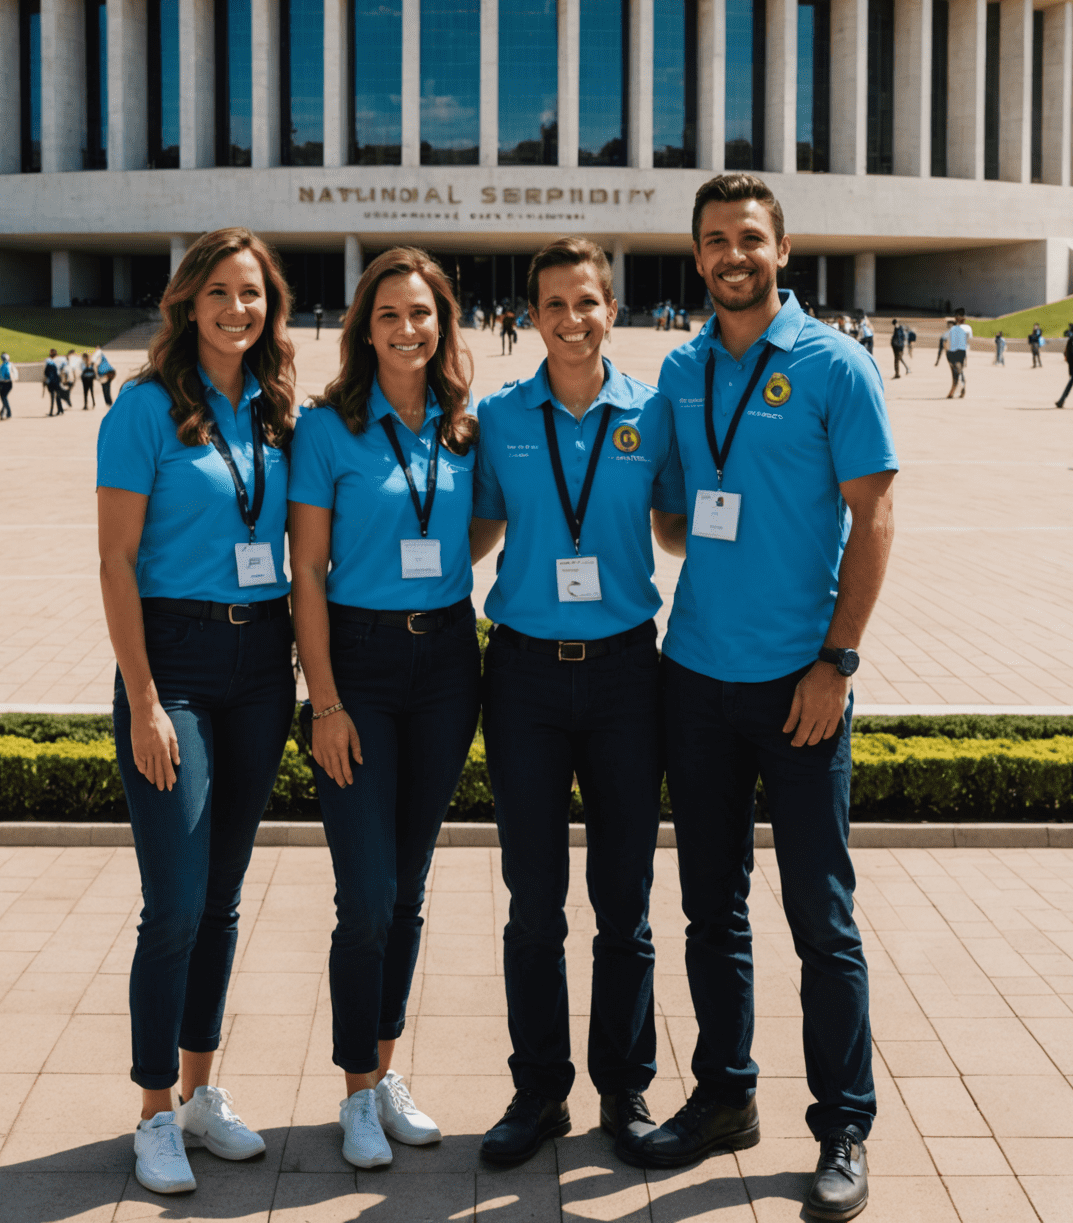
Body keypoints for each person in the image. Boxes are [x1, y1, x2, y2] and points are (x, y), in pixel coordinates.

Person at [636, 174, 896, 1223]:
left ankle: (843, 1122)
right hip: (695, 677)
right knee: (709, 911)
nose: (732, 255)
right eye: (713, 241)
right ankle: (724, 1095)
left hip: (802, 687)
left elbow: (873, 519)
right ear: (695, 258)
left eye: (750, 238)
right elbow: (667, 517)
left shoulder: (836, 366)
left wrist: (838, 661)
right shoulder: (682, 367)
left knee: (819, 917)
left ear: (781, 249)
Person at [469, 237, 685, 1170]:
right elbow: (469, 533)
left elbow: (680, 525)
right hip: (522, 676)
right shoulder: (498, 417)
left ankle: (624, 1089)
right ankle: (538, 1090)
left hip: (629, 676)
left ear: (611, 307)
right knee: (533, 903)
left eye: (587, 302)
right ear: (533, 314)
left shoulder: (654, 413)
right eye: (553, 303)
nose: (571, 320)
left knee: (625, 901)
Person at [96, 227, 298, 1196]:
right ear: (188, 302)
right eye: (219, 291)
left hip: (263, 663)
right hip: (171, 664)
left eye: (252, 293)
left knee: (222, 898)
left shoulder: (275, 408)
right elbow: (115, 562)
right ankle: (150, 1110)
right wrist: (141, 698)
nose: (237, 309)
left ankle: (201, 1090)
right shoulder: (142, 411)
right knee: (173, 903)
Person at [289, 247, 480, 1171]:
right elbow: (307, 575)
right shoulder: (326, 430)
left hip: (446, 661)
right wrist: (323, 700)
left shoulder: (460, 428)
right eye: (390, 315)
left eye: (424, 314)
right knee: (364, 894)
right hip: (357, 668)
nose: (409, 330)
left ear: (444, 323)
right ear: (364, 328)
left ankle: (388, 1071)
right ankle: (356, 1089)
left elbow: (475, 529)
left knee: (407, 888)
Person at [944, 309, 970, 399]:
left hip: (957, 355)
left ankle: (953, 392)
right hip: (952, 356)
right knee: (958, 373)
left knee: (957, 374)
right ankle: (957, 390)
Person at [0, 352, 18, 418]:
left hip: (5, 383)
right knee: (4, 398)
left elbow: (7, 374)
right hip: (8, 383)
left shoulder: (5, 365)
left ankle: (9, 412)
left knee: (3, 397)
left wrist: (5, 377)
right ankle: (3, 411)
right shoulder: (9, 364)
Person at [44, 350, 63, 415]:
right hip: (57, 379)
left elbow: (45, 373)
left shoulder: (48, 361)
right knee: (58, 395)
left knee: (52, 396)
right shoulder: (60, 360)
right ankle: (60, 410)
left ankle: (51, 411)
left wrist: (44, 381)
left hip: (51, 381)